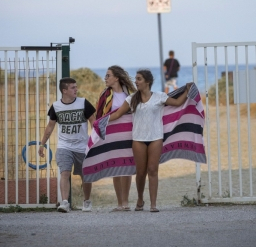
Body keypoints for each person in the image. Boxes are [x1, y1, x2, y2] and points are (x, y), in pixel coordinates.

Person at [108, 69, 191, 212]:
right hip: (138, 139)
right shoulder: (132, 98)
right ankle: (140, 199)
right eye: (136, 79)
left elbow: (177, 102)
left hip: (156, 138)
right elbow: (118, 114)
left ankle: (153, 204)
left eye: (139, 79)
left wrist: (188, 90)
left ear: (147, 82)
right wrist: (102, 121)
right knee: (140, 173)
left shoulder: (160, 96)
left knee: (153, 170)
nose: (136, 81)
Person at [38, 77, 96, 213]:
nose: (76, 89)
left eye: (76, 87)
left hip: (82, 146)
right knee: (64, 172)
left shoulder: (83, 103)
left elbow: (93, 121)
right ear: (64, 90)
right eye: (72, 87)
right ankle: (65, 202)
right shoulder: (56, 106)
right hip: (64, 146)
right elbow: (50, 127)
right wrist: (42, 144)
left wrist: (95, 140)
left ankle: (87, 201)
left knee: (85, 175)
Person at [96, 65, 136, 211]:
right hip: (112, 136)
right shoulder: (105, 95)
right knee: (116, 168)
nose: (105, 78)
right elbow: (100, 117)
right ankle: (120, 203)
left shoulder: (129, 94)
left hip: (128, 135)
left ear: (116, 78)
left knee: (127, 167)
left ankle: (126, 202)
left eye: (108, 75)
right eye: (105, 76)